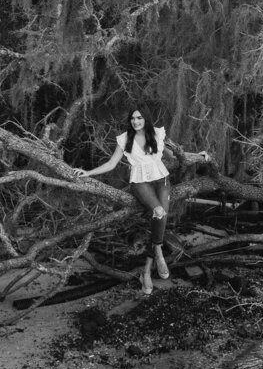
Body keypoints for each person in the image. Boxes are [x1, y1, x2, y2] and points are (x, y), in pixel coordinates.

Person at [75, 109, 205, 295]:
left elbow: (173, 156)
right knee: (159, 212)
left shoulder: (157, 134)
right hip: (140, 182)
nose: (135, 121)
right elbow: (111, 164)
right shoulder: (124, 139)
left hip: (162, 180)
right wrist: (88, 173)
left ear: (146, 119)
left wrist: (198, 156)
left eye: (139, 118)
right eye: (133, 118)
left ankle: (146, 271)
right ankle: (159, 254)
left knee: (159, 219)